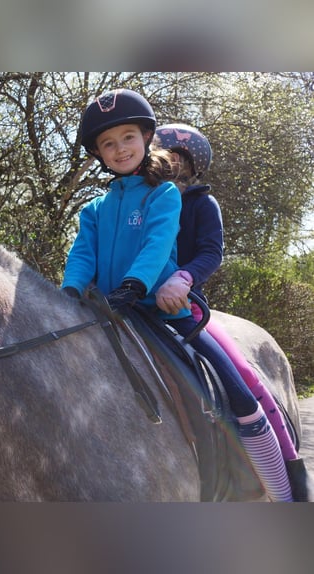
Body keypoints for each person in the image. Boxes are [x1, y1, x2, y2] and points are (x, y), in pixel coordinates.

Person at [61, 88, 294, 501]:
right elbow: (82, 254)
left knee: (234, 385)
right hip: (110, 310)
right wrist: (70, 293)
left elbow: (157, 243)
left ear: (146, 139)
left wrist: (135, 286)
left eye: (127, 138)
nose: (119, 149)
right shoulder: (94, 209)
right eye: (108, 144)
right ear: (98, 153)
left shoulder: (165, 196)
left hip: (162, 310)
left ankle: (279, 487)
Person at [154, 123, 308, 501]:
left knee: (237, 374)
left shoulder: (202, 205)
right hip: (132, 300)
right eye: (162, 157)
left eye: (176, 159)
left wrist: (183, 278)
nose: (168, 165)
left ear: (192, 166)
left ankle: (278, 472)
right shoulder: (141, 203)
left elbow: (211, 252)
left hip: (182, 303)